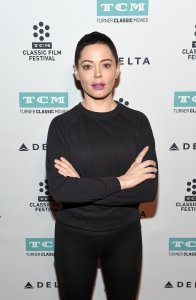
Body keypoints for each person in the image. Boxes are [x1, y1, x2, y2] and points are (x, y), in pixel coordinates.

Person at [46, 31, 158, 300]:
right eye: (87, 66)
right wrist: (123, 181)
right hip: (73, 236)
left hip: (125, 235)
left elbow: (146, 190)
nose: (97, 75)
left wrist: (82, 186)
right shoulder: (61, 126)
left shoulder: (138, 122)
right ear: (76, 72)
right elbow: (61, 192)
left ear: (118, 69)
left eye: (105, 65)